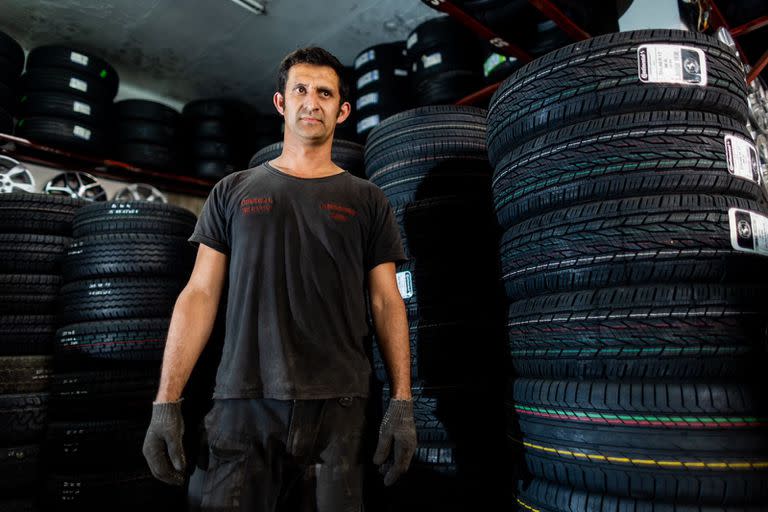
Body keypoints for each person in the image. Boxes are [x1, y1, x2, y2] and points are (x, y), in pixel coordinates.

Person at [141, 47, 417, 511]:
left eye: (325, 93)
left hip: (341, 408)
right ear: (280, 103)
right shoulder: (232, 190)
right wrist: (166, 401)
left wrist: (402, 402)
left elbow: (388, 302)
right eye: (301, 90)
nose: (312, 102)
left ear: (342, 110)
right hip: (242, 403)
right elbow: (200, 294)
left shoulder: (368, 200)